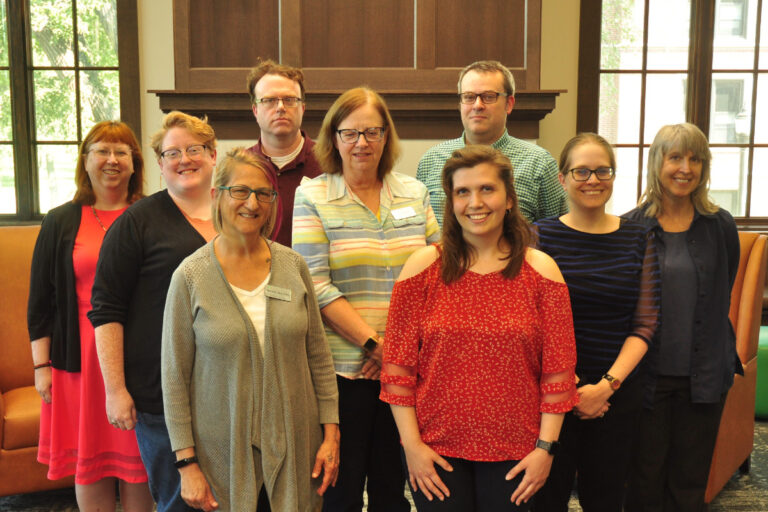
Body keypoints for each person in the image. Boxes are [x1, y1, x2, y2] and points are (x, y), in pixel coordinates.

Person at [380, 145, 578, 511]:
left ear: (509, 199)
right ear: (451, 202)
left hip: (516, 455)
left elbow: (559, 375)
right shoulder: (421, 269)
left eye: (487, 189)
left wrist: (545, 450)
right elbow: (396, 370)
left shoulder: (542, 271)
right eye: (463, 192)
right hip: (435, 453)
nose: (476, 202)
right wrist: (412, 448)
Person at [162, 148, 339, 511]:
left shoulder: (293, 266)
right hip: (221, 453)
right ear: (217, 195)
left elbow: (319, 358)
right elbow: (174, 377)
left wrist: (331, 434)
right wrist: (186, 463)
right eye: (240, 191)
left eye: (263, 193)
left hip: (297, 443)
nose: (252, 203)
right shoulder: (190, 276)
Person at [293, 87, 440, 511]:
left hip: (411, 370)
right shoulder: (314, 196)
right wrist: (378, 347)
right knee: (340, 489)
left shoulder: (414, 192)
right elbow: (316, 285)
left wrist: (400, 353)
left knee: (394, 489)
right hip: (344, 372)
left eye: (372, 131)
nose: (362, 142)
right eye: (350, 132)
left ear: (386, 136)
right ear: (333, 138)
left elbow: (437, 272)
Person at [88, 111, 218, 512]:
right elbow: (107, 308)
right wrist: (115, 390)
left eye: (194, 149)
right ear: (160, 165)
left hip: (227, 389)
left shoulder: (236, 215)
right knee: (181, 500)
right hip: (160, 395)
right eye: (171, 152)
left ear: (214, 155)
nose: (184, 159)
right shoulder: (136, 223)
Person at [28, 121, 153, 512]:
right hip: (76, 359)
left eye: (122, 152)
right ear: (86, 161)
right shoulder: (59, 221)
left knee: (140, 464)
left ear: (135, 163)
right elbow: (41, 300)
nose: (112, 160)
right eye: (102, 150)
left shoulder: (152, 216)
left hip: (136, 360)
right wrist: (40, 365)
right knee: (91, 467)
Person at [533, 133, 660, 511]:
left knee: (605, 499)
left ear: (613, 175)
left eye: (602, 170)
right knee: (546, 498)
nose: (593, 180)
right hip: (551, 391)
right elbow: (532, 321)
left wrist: (605, 387)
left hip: (616, 393)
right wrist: (571, 390)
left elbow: (646, 324)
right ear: (562, 178)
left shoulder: (639, 235)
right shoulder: (540, 234)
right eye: (581, 171)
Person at [623, 123, 741, 511]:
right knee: (644, 479)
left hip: (704, 374)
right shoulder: (630, 226)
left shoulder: (719, 224)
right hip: (646, 376)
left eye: (695, 159)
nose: (685, 168)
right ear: (657, 162)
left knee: (690, 483)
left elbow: (723, 288)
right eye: (675, 157)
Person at [417, 60, 566, 226]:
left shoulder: (539, 163)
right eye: (469, 97)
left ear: (509, 104)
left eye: (489, 97)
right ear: (460, 104)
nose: (478, 105)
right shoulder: (430, 161)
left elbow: (558, 233)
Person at [247, 58, 322, 247]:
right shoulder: (240, 168)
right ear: (255, 110)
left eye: (289, 100)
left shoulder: (330, 163)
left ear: (302, 108)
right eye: (269, 100)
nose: (280, 107)